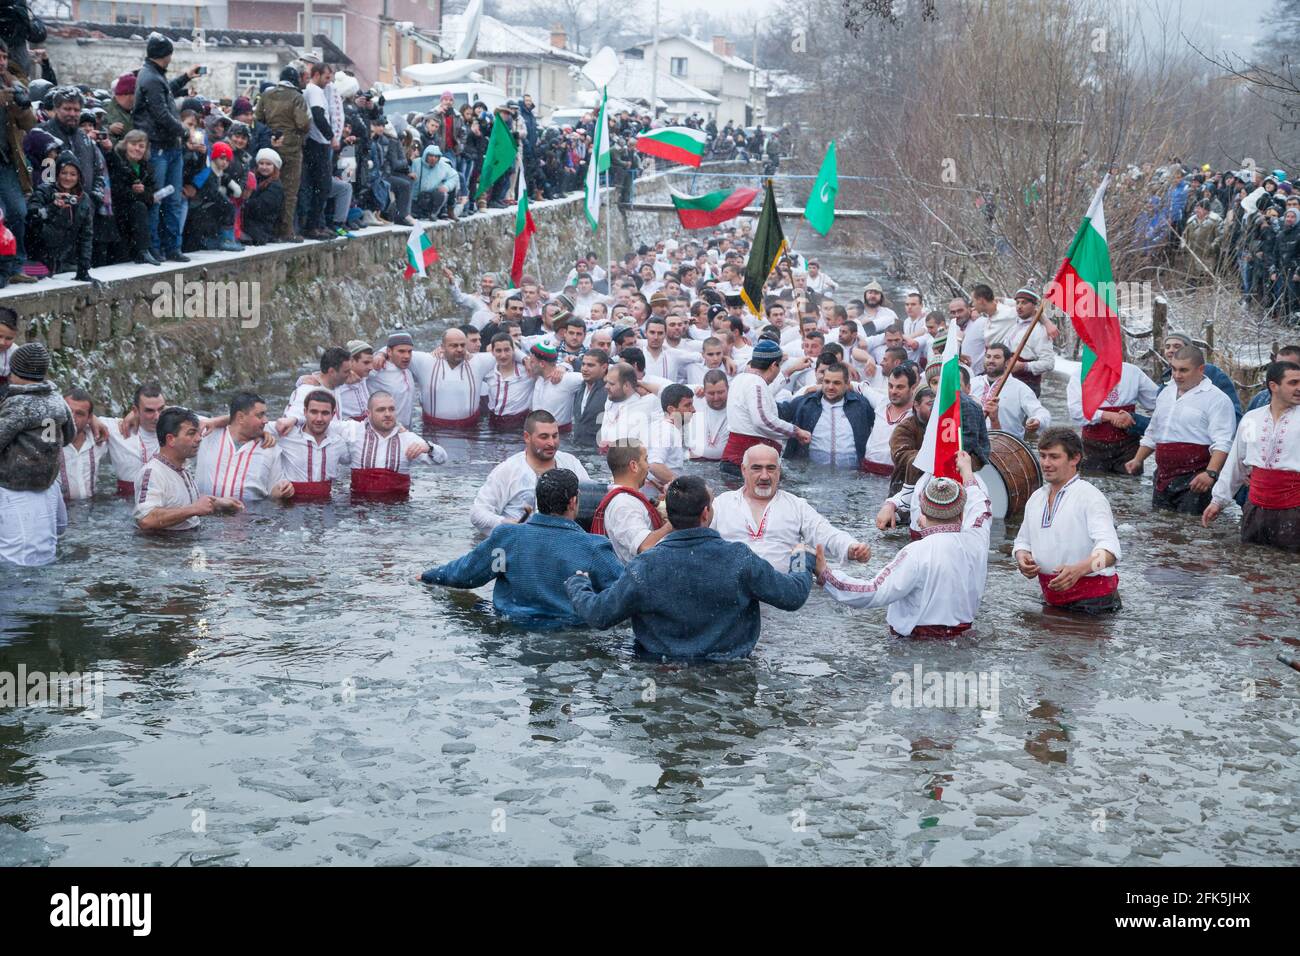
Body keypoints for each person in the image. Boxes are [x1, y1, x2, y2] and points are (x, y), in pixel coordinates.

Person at [566, 475, 815, 661]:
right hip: (729, 675)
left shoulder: (644, 567)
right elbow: (792, 596)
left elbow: (599, 615)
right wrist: (802, 558)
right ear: (706, 513)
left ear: (668, 518)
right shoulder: (739, 558)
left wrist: (578, 584)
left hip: (662, 674)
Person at [819, 452, 992, 638]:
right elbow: (980, 505)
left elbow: (872, 592)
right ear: (961, 516)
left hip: (914, 647)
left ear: (921, 519)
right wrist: (966, 470)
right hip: (964, 643)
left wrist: (826, 575)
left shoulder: (915, 552)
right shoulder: (977, 539)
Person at [423, 468, 623, 628]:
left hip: (510, 630)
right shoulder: (595, 548)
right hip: (570, 635)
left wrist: (429, 576)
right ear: (573, 501)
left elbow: (465, 573)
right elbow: (627, 594)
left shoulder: (507, 537)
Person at [1013, 428, 1122, 613]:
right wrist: (1022, 556)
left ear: (1074, 459)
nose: (1046, 463)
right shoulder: (1036, 498)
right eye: (1043, 456)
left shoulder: (1091, 497)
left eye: (1054, 457)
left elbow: (1111, 552)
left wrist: (1079, 569)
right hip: (1052, 599)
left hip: (1094, 603)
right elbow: (1023, 541)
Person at [712, 444, 870, 569]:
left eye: (771, 468)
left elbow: (824, 533)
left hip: (781, 594)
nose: (765, 476)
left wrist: (851, 547)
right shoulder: (721, 504)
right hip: (733, 590)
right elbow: (697, 540)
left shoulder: (796, 505)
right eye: (757, 468)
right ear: (744, 470)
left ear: (779, 471)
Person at [1126, 345, 1235, 514]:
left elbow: (1223, 442)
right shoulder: (1165, 393)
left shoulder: (1217, 399)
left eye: (1183, 370)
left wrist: (1210, 473)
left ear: (1200, 369)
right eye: (1174, 369)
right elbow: (1154, 432)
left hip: (1195, 478)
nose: (1177, 375)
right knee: (1161, 529)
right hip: (1163, 476)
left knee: (1189, 530)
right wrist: (1138, 459)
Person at [1204, 360, 1300, 551]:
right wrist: (1218, 501)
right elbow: (1236, 463)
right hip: (1255, 509)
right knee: (1250, 565)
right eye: (1293, 383)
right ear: (1273, 386)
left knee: (1289, 570)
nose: (1299, 388)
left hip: (1294, 509)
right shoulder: (1252, 419)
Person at [0, 343, 74, 565]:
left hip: (15, 483)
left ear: (19, 374)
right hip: (48, 480)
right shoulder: (58, 401)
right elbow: (69, 435)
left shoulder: (19, 404)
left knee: (16, 558)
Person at [133, 33, 200, 262]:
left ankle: (171, 247)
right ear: (167, 55)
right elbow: (161, 114)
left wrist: (185, 78)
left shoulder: (152, 75)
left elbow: (166, 93)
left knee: (171, 199)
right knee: (158, 198)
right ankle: (156, 247)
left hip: (169, 147)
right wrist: (184, 131)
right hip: (160, 147)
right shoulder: (151, 78)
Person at [471, 410, 590, 533]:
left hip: (563, 540)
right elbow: (478, 513)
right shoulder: (508, 470)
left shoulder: (571, 464)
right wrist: (508, 525)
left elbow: (591, 502)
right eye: (544, 437)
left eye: (555, 436)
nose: (551, 443)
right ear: (527, 437)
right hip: (519, 543)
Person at [135, 406, 243, 532]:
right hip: (165, 547)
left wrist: (217, 502)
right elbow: (146, 519)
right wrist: (194, 509)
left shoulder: (182, 468)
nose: (199, 438)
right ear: (171, 439)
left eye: (198, 433)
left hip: (185, 542)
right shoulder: (153, 472)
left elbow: (179, 501)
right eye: (191, 433)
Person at [721, 338, 810, 476]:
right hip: (748, 464)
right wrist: (795, 431)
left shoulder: (740, 379)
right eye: (779, 365)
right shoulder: (756, 384)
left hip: (737, 461)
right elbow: (762, 420)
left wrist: (789, 370)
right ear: (774, 365)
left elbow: (765, 394)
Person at [336, 390, 444, 497]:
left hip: (396, 508)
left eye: (391, 409)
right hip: (359, 506)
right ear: (369, 413)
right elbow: (326, 426)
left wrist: (429, 448)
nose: (387, 414)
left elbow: (441, 459)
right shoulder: (354, 431)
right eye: (381, 410)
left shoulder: (407, 439)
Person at [1067, 359, 1160, 474]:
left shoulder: (1133, 372)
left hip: (1128, 448)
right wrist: (1107, 415)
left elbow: (1159, 404)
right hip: (1092, 447)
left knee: (1128, 488)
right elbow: (1076, 411)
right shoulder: (1080, 374)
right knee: (1092, 487)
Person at [777, 361, 875, 470]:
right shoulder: (806, 403)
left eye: (836, 383)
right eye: (827, 382)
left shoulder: (861, 405)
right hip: (811, 475)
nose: (830, 387)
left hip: (853, 475)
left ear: (847, 384)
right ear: (821, 382)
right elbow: (778, 413)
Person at [194, 391, 291, 501]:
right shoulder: (208, 431)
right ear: (240, 417)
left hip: (248, 515)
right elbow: (172, 413)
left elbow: (274, 492)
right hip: (206, 514)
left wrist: (283, 490)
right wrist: (215, 421)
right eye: (260, 415)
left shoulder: (270, 449)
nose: (266, 420)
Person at [589, 441, 673, 563]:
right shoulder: (623, 504)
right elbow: (645, 545)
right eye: (645, 460)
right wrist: (675, 521)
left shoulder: (627, 499)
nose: (648, 466)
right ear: (634, 466)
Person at [255, 65, 310, 243]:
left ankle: (268, 229)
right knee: (289, 191)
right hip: (292, 149)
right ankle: (285, 230)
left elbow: (258, 119)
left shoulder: (266, 95)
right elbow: (303, 124)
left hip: (271, 147)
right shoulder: (297, 97)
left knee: (269, 187)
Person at [274, 389, 348, 501]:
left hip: (326, 506)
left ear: (333, 415)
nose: (319, 419)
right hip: (291, 505)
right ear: (305, 412)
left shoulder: (338, 443)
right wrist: (266, 435)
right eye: (314, 412)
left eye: (325, 413)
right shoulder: (286, 435)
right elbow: (254, 429)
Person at [972, 343, 1051, 440]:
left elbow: (1042, 413)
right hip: (974, 445)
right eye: (988, 357)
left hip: (1008, 448)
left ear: (1008, 362)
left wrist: (1037, 421)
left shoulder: (1020, 388)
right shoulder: (972, 383)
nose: (991, 361)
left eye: (997, 357)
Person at [983, 287, 1054, 395]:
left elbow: (1049, 363)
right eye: (1018, 303)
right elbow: (1011, 303)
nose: (1019, 306)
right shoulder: (1012, 321)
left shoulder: (1040, 331)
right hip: (1005, 381)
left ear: (1034, 306)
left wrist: (1024, 366)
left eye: (1024, 303)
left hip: (1027, 384)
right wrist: (1001, 299)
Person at [107, 129, 158, 264]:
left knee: (143, 207)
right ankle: (143, 250)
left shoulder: (147, 167)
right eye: (133, 144)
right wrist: (133, 192)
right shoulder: (117, 161)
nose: (137, 149)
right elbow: (115, 189)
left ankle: (145, 249)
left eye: (141, 146)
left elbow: (152, 194)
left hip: (136, 209)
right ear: (125, 144)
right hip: (117, 208)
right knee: (139, 206)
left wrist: (142, 192)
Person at [58, 387, 108, 500]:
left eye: (79, 414)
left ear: (89, 418)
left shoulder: (99, 438)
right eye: (68, 411)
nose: (72, 418)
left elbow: (129, 422)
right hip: (60, 509)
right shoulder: (48, 437)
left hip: (91, 509)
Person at [242, 148, 284, 246]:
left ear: (275, 167)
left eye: (268, 164)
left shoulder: (275, 186)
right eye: (261, 163)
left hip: (263, 226)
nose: (264, 167)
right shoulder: (254, 178)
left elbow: (263, 207)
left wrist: (245, 203)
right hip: (253, 221)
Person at [689, 369, 730, 461]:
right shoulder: (694, 396)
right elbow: (664, 388)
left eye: (720, 392)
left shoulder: (737, 401)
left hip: (725, 462)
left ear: (728, 388)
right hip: (696, 461)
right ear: (704, 391)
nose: (716, 398)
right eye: (711, 393)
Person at [570, 348, 609, 446]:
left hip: (598, 452)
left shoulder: (610, 390)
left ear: (604, 367)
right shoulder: (581, 387)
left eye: (590, 365)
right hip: (578, 446)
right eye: (583, 364)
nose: (585, 369)